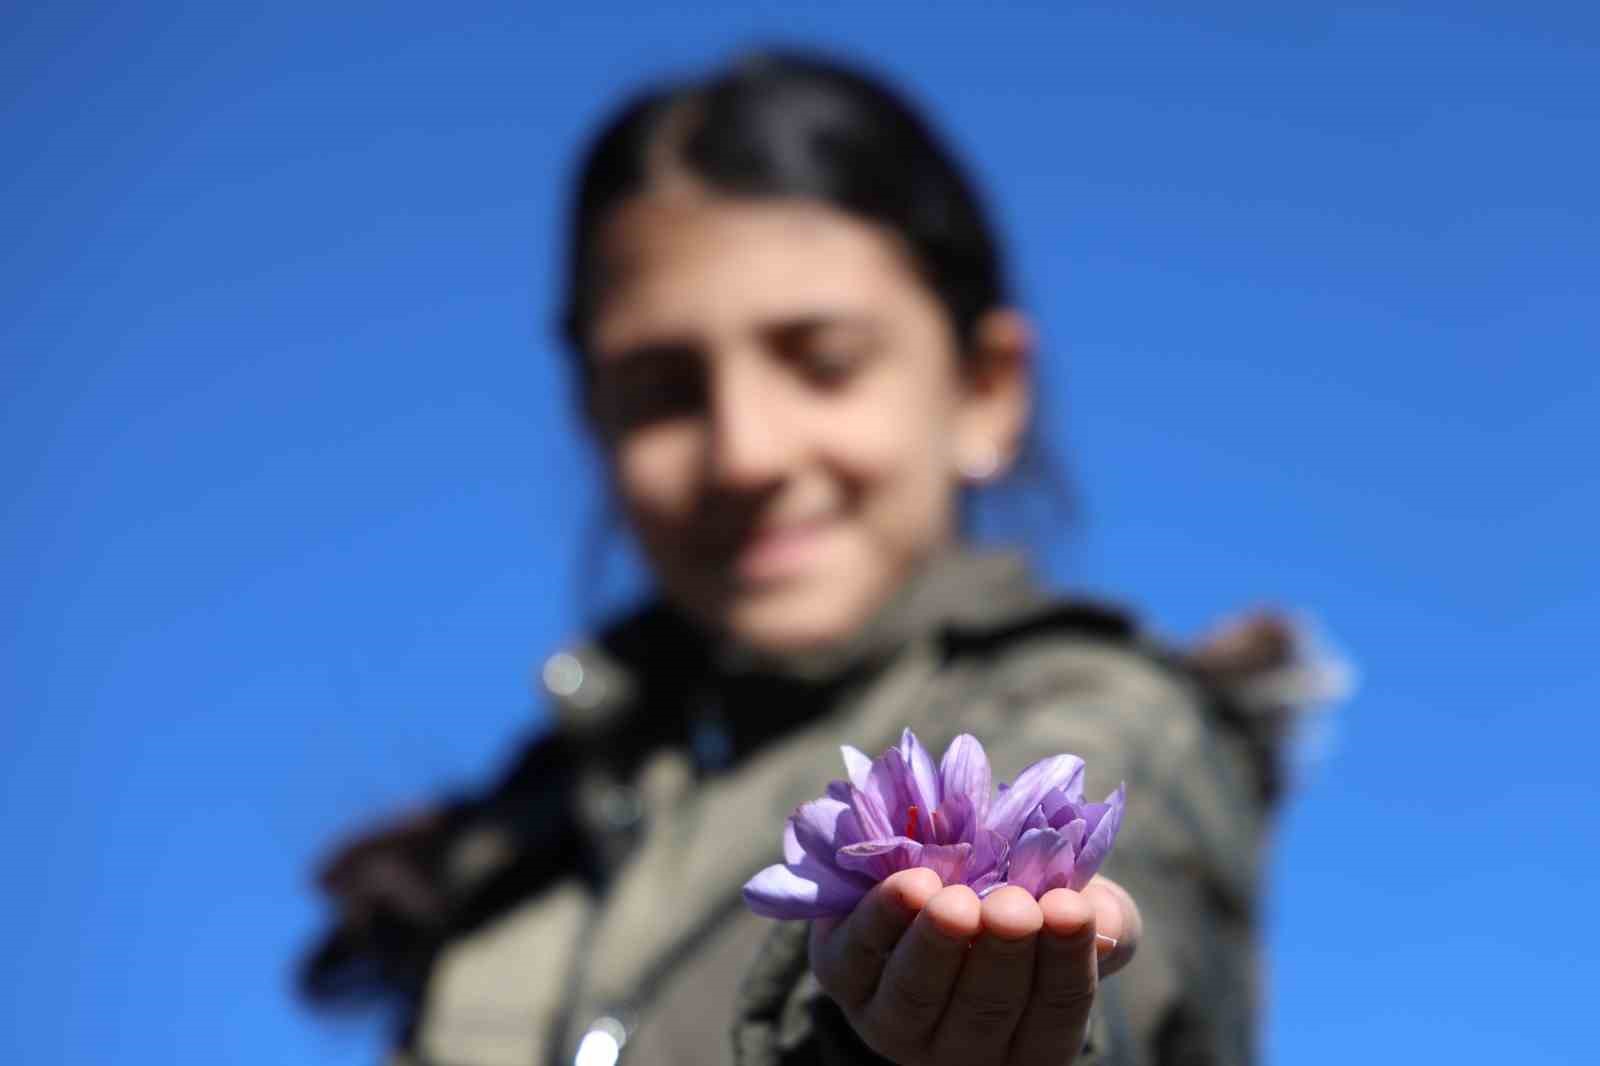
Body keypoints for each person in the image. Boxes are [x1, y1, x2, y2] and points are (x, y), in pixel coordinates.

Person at [299, 48, 1334, 1066]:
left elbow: (1101, 962)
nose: (745, 451)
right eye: (662, 391)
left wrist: (895, 1026)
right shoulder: (523, 837)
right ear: (593, 425)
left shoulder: (1097, 714)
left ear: (985, 389)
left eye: (823, 363)